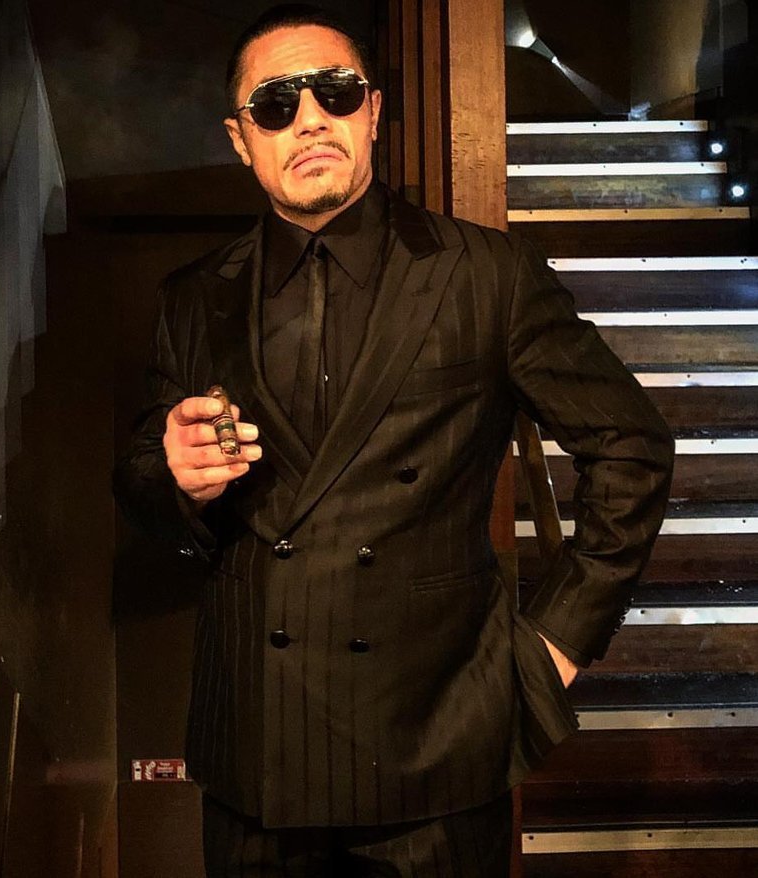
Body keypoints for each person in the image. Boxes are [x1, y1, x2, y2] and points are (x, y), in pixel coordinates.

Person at [114, 4, 674, 875]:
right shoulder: (192, 297)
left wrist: (559, 640)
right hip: (256, 750)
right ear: (240, 139)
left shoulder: (485, 274)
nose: (309, 119)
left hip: (436, 747)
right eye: (275, 105)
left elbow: (631, 446)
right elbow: (143, 478)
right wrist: (173, 477)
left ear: (373, 112)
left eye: (335, 93)